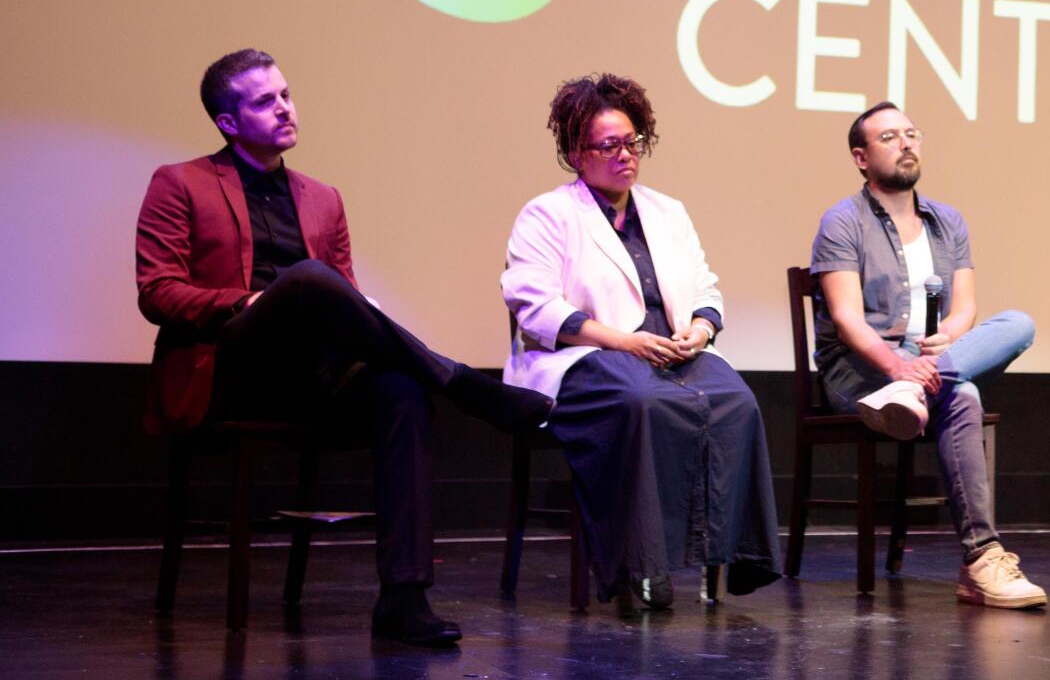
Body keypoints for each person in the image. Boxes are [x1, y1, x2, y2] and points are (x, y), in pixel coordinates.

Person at [135, 49, 552, 647]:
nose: (284, 109)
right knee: (305, 278)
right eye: (263, 102)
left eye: (285, 95)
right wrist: (246, 303)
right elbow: (158, 291)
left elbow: (345, 304)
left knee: (401, 391)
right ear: (227, 123)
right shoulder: (180, 183)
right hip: (230, 369)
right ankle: (464, 383)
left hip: (313, 377)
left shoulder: (322, 197)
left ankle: (404, 599)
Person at [501, 73, 781, 610]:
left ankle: (728, 554)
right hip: (586, 357)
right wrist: (627, 343)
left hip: (672, 351)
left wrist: (699, 330)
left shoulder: (668, 211)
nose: (625, 154)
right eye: (610, 145)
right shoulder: (548, 214)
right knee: (643, 402)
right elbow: (535, 307)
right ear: (576, 154)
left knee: (738, 403)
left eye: (633, 142)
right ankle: (642, 565)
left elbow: (706, 287)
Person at [808, 102, 1045, 608]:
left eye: (912, 133)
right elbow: (848, 323)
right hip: (860, 371)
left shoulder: (947, 221)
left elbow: (964, 310)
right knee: (963, 396)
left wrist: (938, 350)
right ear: (861, 157)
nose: (906, 143)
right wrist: (897, 366)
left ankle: (919, 388)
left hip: (924, 363)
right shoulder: (842, 221)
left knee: (1019, 324)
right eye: (890, 137)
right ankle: (983, 558)